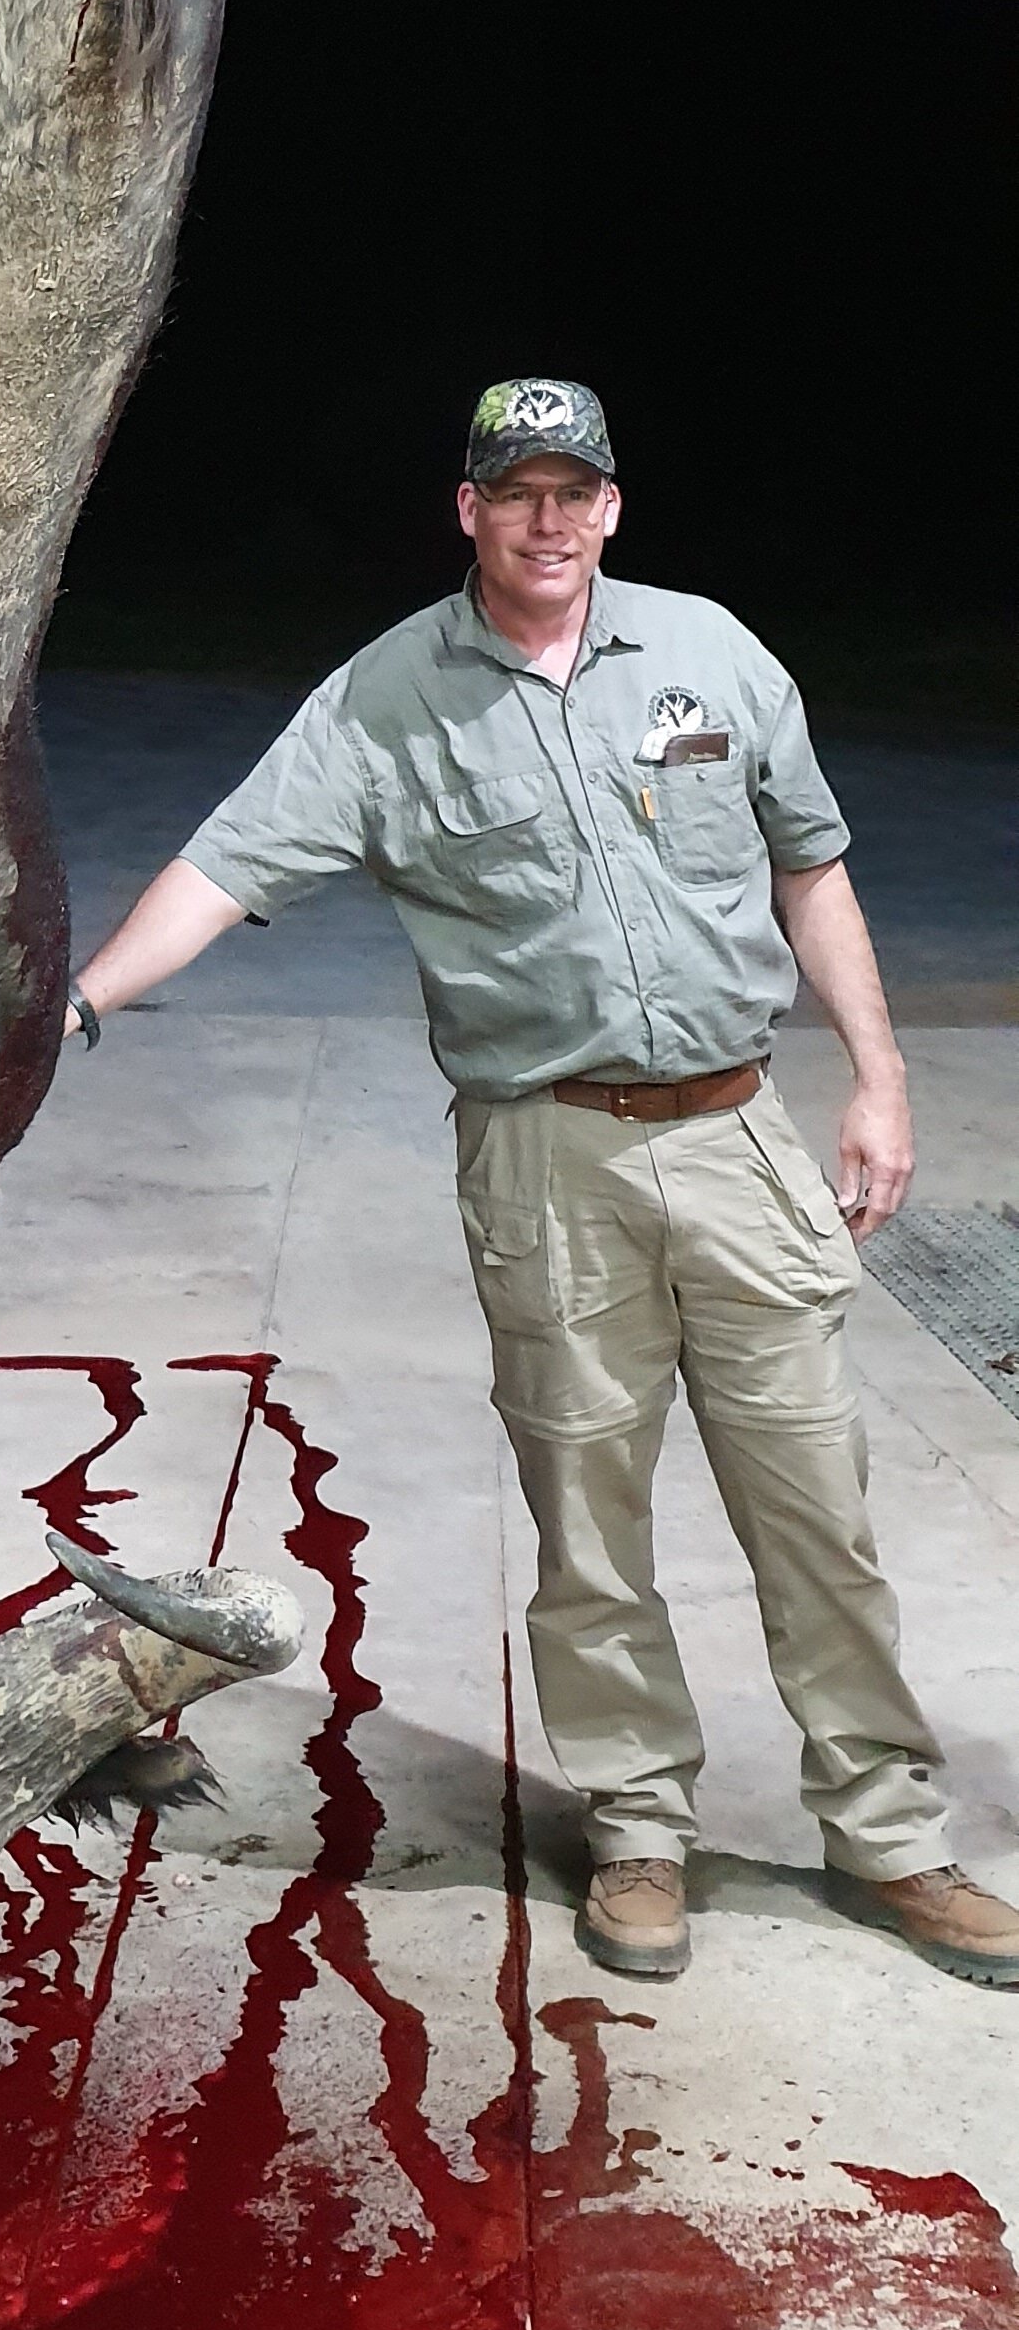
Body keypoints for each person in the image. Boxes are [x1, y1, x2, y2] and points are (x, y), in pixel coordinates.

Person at [59, 376, 1018, 1991]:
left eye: (576, 489)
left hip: (736, 1134)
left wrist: (879, 1073)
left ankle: (891, 1839)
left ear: (614, 508)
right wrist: (80, 998)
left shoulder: (713, 653)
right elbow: (228, 865)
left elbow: (812, 864)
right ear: (469, 510)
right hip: (545, 1154)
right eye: (518, 491)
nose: (549, 517)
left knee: (819, 1511)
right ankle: (640, 1829)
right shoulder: (387, 701)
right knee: (588, 1521)